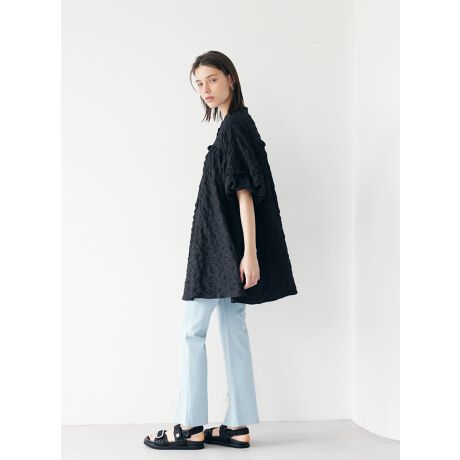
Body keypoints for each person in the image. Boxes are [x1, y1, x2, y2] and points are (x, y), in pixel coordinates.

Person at [144, 50, 298, 451]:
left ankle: (189, 425)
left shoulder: (234, 127)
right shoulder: (238, 125)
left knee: (192, 331)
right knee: (233, 329)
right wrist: (246, 252)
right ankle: (236, 425)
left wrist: (250, 253)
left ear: (231, 78)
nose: (205, 90)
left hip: (218, 251)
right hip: (228, 247)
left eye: (212, 79)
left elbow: (245, 194)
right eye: (198, 84)